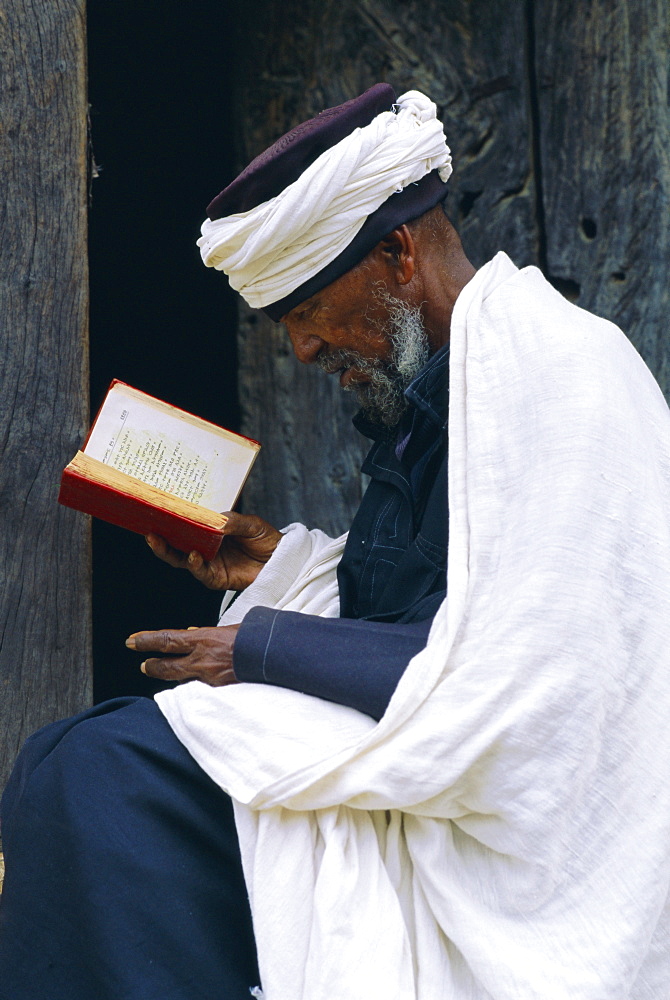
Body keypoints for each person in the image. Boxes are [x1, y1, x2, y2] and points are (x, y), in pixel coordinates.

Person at [1, 84, 669, 1000]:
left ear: (396, 253)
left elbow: (528, 688)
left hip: (507, 849)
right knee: (60, 764)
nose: (304, 352)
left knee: (97, 775)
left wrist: (263, 646)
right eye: (285, 327)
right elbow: (430, 605)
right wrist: (276, 566)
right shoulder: (430, 397)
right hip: (409, 770)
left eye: (306, 310)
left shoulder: (563, 370)